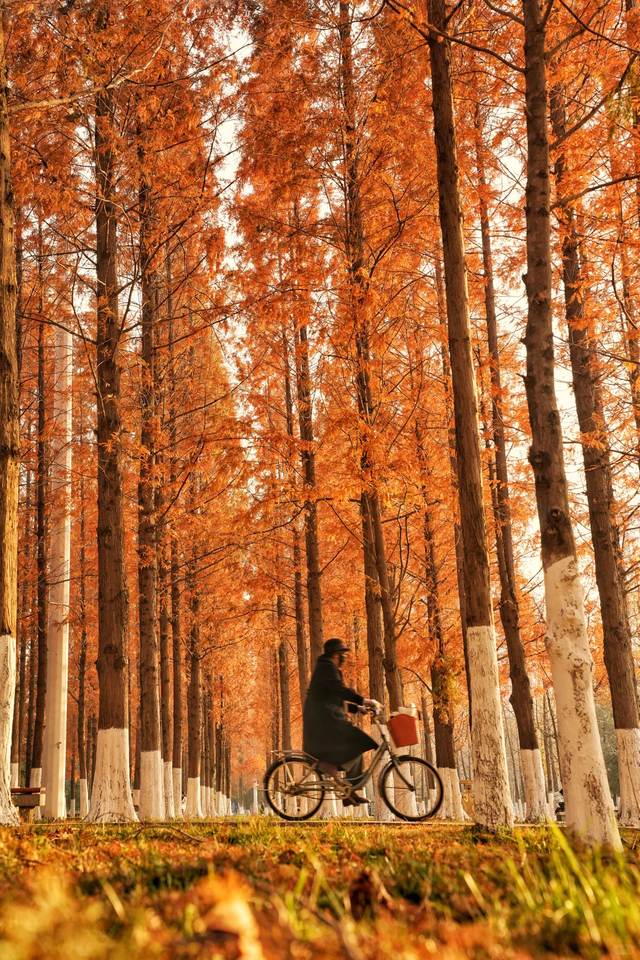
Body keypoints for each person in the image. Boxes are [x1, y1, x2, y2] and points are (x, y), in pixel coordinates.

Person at [303, 637, 381, 805]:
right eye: (341, 654)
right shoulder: (327, 668)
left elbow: (334, 699)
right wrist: (363, 700)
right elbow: (339, 690)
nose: (343, 658)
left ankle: (348, 791)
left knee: (357, 750)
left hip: (325, 719)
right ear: (336, 655)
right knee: (358, 739)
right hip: (324, 722)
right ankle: (331, 769)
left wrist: (357, 708)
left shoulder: (326, 668)